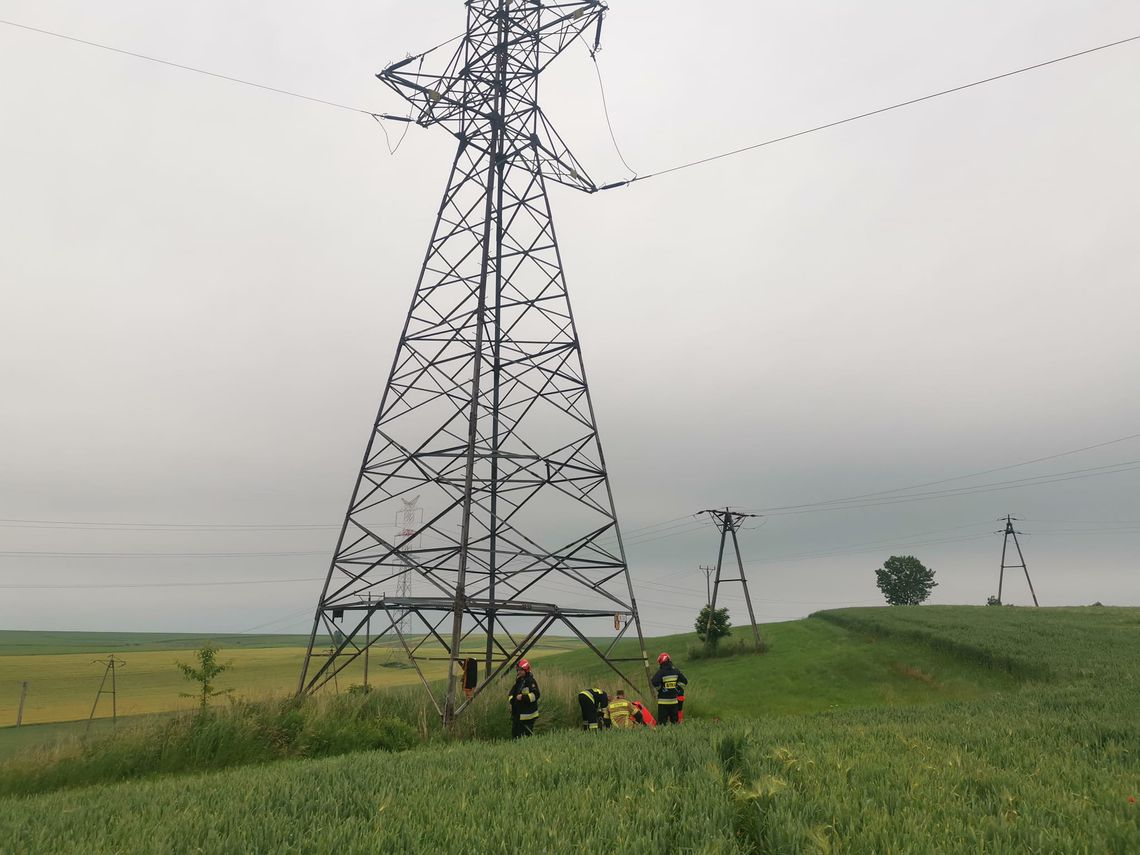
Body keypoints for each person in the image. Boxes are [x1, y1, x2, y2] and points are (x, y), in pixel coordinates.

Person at [650, 652, 687, 725]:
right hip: (674, 702)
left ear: (661, 662)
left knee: (662, 724)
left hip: (663, 703)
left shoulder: (661, 672)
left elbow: (654, 681)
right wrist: (676, 687)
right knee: (675, 723)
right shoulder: (676, 671)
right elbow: (685, 681)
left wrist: (660, 689)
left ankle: (663, 736)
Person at [508, 659, 540, 738]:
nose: (518, 672)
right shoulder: (519, 681)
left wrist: (523, 697)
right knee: (515, 735)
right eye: (518, 670)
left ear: (526, 670)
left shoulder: (530, 681)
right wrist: (512, 701)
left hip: (528, 716)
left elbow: (536, 695)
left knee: (525, 736)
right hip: (518, 714)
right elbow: (512, 693)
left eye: (521, 670)